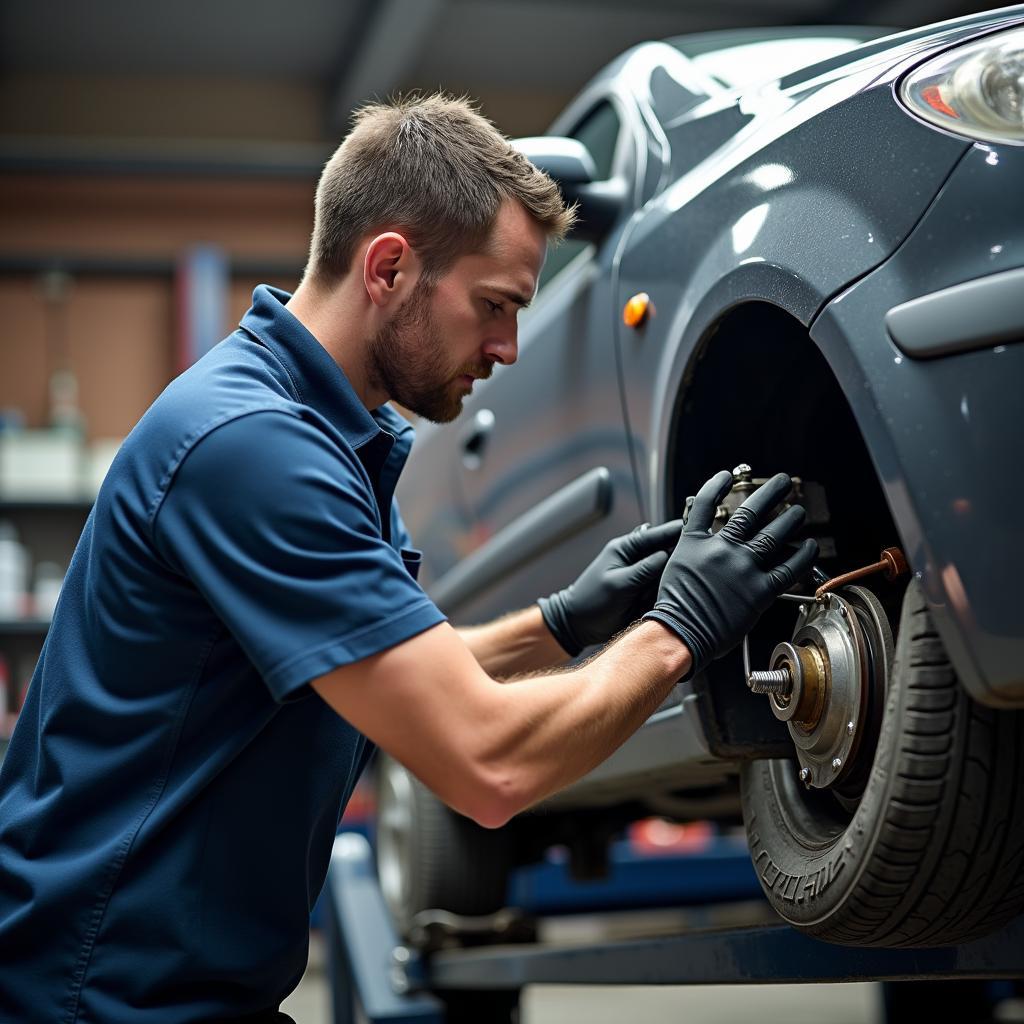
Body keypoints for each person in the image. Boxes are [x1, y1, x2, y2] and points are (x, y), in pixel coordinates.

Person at [0, 94, 816, 1022]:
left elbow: (377, 672)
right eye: (494, 306)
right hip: (96, 997)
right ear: (388, 266)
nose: (508, 347)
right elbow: (488, 764)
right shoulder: (252, 448)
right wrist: (680, 631)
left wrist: (565, 624)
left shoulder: (317, 436)